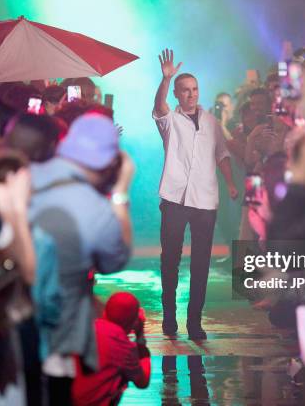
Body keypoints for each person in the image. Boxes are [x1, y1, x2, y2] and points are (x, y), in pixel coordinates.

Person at [29, 113, 134, 404]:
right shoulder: (94, 207)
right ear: (110, 163)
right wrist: (120, 194)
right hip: (56, 341)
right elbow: (114, 260)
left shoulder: (28, 173)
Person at [152, 48, 238, 340]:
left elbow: (222, 154)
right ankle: (168, 315)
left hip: (205, 200)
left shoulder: (212, 122)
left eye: (195, 89)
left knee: (202, 261)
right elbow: (159, 105)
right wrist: (165, 79)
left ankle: (195, 321)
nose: (191, 94)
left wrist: (230, 183)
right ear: (177, 94)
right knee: (170, 260)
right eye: (185, 90)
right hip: (175, 199)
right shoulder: (170, 120)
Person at [72, 292, 151, 405]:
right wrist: (140, 337)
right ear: (134, 322)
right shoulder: (122, 344)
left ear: (105, 311)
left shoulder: (85, 328)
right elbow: (142, 382)